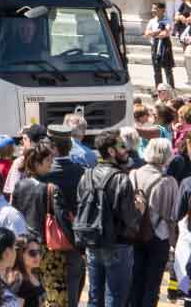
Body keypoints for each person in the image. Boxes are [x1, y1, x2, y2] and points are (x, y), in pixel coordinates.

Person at [74, 131, 141, 307]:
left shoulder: (86, 175)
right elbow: (129, 219)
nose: (126, 151)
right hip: (117, 245)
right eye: (122, 147)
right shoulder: (121, 179)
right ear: (111, 151)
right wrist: (139, 210)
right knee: (116, 297)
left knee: (95, 297)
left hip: (92, 242)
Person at [128, 137, 177, 307]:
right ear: (167, 156)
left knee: (134, 281)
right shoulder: (168, 182)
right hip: (158, 237)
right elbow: (172, 216)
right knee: (152, 285)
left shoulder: (132, 175)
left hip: (134, 235)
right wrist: (175, 242)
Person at [43, 125, 86, 307]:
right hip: (76, 236)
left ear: (52, 147)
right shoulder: (81, 171)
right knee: (74, 286)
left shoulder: (44, 174)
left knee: (51, 289)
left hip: (49, 238)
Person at [147, 3, 177, 90]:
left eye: (155, 9)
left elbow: (165, 33)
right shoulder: (152, 21)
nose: (153, 10)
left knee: (168, 70)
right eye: (152, 8)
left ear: (162, 10)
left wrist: (153, 33)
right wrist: (158, 31)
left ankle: (171, 90)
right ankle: (159, 90)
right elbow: (146, 33)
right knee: (156, 70)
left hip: (165, 46)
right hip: (154, 46)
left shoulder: (168, 20)